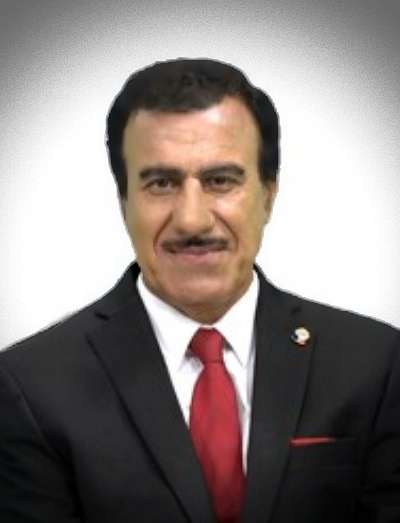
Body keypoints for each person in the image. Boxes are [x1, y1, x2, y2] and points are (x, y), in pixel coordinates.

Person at [0, 58, 399, 523]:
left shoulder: (376, 365)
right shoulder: (29, 387)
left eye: (220, 181)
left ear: (269, 196)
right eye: (161, 183)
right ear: (123, 202)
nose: (191, 220)